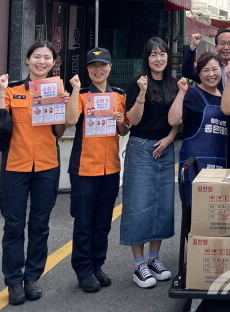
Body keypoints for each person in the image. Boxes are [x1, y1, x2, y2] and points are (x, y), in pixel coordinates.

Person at [0, 41, 69, 306]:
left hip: (47, 165)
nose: (41, 61)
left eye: (47, 57)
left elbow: (59, 133)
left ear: (53, 63)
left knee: (40, 224)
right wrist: (1, 91)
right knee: (13, 225)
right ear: (27, 60)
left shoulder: (57, 90)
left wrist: (63, 105)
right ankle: (13, 281)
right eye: (37, 57)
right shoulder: (12, 91)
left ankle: (33, 277)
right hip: (15, 166)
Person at [65, 48, 128, 293]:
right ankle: (83, 270)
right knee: (84, 222)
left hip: (110, 168)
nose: (98, 69)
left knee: (102, 223)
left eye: (102, 65)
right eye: (93, 66)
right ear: (87, 69)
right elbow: (70, 120)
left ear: (110, 67)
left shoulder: (119, 96)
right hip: (83, 169)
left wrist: (121, 122)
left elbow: (123, 132)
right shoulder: (81, 96)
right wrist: (75, 90)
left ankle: (97, 265)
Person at [120, 37, 182, 289]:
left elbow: (177, 121)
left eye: (162, 54)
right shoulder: (137, 83)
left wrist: (168, 139)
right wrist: (143, 93)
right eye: (153, 54)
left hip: (164, 148)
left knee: (162, 205)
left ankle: (154, 259)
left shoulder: (173, 85)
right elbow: (132, 121)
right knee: (138, 205)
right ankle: (139, 264)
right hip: (140, 147)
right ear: (146, 59)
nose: (159, 58)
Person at [171, 53, 230, 195]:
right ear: (199, 73)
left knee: (216, 212)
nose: (211, 74)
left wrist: (229, 80)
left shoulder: (225, 94)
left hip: (220, 163)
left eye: (215, 69)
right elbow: (173, 120)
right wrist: (181, 93)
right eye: (205, 70)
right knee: (194, 212)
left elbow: (228, 110)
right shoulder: (192, 94)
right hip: (194, 164)